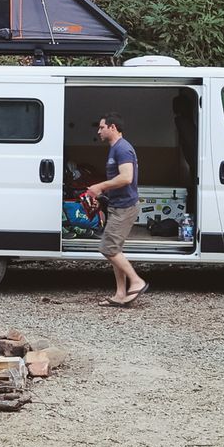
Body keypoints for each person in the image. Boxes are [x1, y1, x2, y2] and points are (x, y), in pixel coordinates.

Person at [87, 112, 149, 307]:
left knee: (108, 248)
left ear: (112, 127)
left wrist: (100, 186)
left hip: (125, 207)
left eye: (101, 127)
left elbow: (126, 178)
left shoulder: (122, 149)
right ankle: (120, 294)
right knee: (116, 250)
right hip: (117, 205)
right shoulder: (116, 149)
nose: (99, 131)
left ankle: (137, 281)